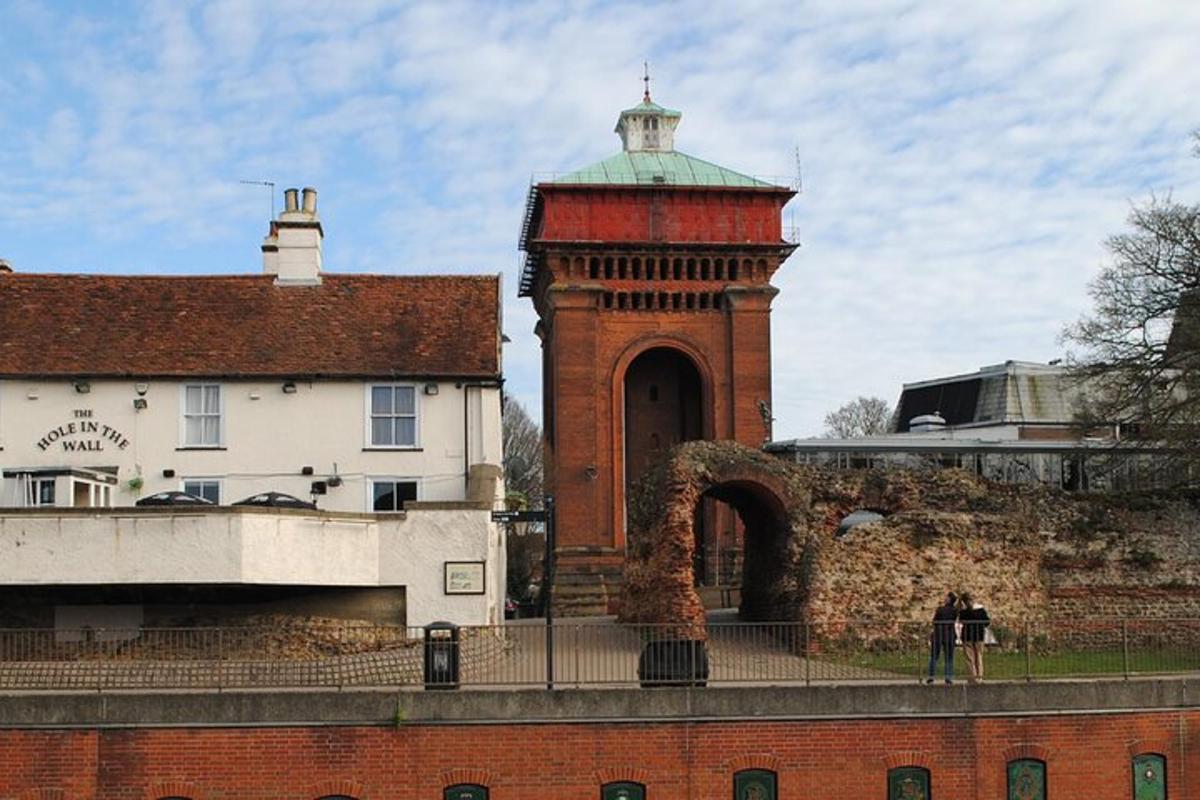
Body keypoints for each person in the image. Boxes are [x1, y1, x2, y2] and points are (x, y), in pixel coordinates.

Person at [925, 591, 958, 684]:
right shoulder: (955, 611)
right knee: (949, 658)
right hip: (949, 635)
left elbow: (935, 621)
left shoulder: (940, 610)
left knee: (934, 656)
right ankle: (948, 677)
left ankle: (931, 676)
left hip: (938, 634)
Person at [959, 592, 990, 684]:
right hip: (978, 635)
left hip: (967, 635)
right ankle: (979, 677)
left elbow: (961, 620)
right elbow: (987, 622)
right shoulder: (980, 610)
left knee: (970, 658)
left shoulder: (964, 612)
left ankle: (972, 677)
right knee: (978, 656)